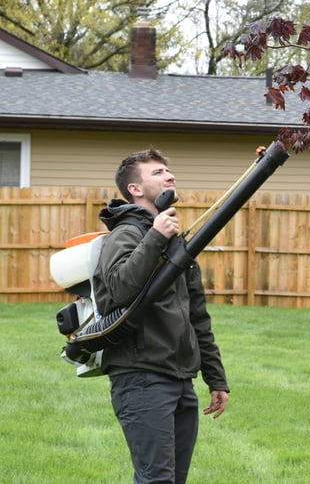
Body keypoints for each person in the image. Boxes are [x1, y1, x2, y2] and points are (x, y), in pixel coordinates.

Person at [92, 148, 229, 483]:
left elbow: (197, 317)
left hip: (180, 381)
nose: (169, 176)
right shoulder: (126, 234)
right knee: (156, 480)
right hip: (141, 379)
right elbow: (118, 291)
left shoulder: (173, 244)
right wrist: (155, 235)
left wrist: (216, 378)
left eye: (169, 171)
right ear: (135, 189)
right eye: (158, 173)